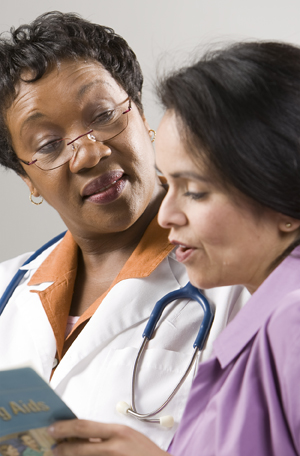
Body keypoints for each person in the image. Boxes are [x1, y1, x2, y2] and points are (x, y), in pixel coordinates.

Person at [0, 12, 247, 452]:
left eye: (103, 114)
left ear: (140, 111)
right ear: (27, 180)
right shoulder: (6, 294)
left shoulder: (241, 278)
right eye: (48, 145)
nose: (88, 153)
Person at [47, 41, 300, 455]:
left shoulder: (293, 321)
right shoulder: (263, 322)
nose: (166, 216)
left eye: (195, 192)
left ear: (288, 200)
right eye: (168, 184)